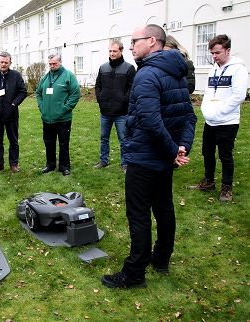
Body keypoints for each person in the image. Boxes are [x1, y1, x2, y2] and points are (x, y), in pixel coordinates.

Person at [101, 24, 197, 289]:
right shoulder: (176, 71)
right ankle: (161, 260)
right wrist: (180, 148)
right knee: (164, 209)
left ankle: (134, 273)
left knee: (140, 214)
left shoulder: (148, 74)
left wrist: (174, 150)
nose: (130, 46)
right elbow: (189, 117)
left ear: (152, 41)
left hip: (146, 157)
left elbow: (151, 121)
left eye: (134, 41)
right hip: (164, 156)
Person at [188, 34, 247, 202]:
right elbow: (208, 92)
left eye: (217, 53)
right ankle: (208, 182)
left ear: (228, 50)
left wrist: (220, 111)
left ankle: (226, 187)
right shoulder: (214, 69)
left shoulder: (238, 69)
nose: (214, 56)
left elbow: (238, 96)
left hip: (227, 122)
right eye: (212, 53)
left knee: (225, 155)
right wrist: (207, 110)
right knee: (207, 152)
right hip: (210, 121)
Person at [93, 40, 136, 173]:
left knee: (124, 139)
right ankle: (103, 160)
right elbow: (98, 86)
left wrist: (123, 101)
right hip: (105, 111)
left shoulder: (129, 68)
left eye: (114, 51)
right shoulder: (103, 67)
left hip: (121, 112)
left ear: (121, 51)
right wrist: (100, 98)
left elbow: (132, 88)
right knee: (104, 138)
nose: (112, 53)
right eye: (110, 51)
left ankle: (125, 163)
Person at [36, 53, 80, 176]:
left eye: (54, 63)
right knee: (49, 142)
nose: (52, 66)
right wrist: (41, 106)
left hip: (63, 118)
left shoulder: (68, 76)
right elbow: (38, 92)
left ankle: (64, 166)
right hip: (47, 118)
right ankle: (50, 165)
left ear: (60, 62)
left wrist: (65, 108)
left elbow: (75, 94)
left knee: (63, 143)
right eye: (50, 64)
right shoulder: (45, 77)